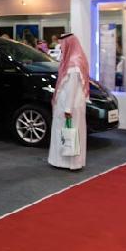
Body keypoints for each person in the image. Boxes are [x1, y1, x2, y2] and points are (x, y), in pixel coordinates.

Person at [48, 34, 89, 170]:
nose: (61, 48)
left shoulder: (73, 63)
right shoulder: (76, 60)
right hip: (73, 105)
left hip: (69, 105)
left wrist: (67, 109)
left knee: (68, 133)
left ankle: (68, 163)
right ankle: (68, 162)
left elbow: (71, 89)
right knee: (70, 132)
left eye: (63, 44)